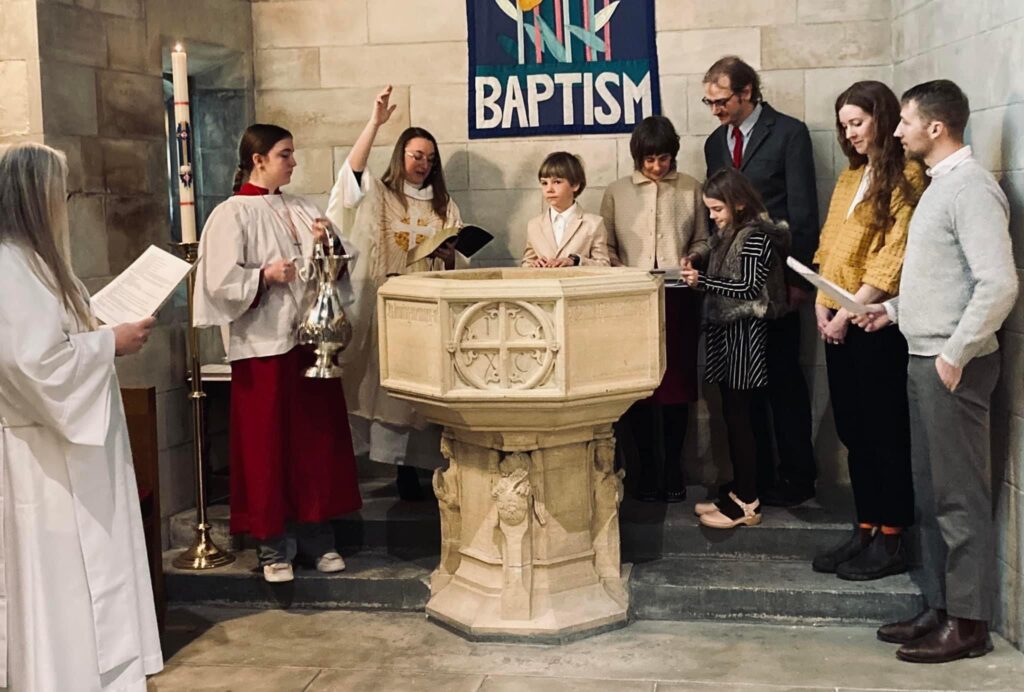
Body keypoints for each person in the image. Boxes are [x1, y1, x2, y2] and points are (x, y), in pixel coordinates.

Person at [855, 80, 1018, 663]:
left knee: (959, 500)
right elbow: (941, 278)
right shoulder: (939, 186)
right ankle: (942, 606)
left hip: (953, 366)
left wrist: (955, 354)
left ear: (936, 127)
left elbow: (998, 284)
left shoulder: (971, 189)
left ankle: (968, 625)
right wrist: (891, 310)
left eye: (904, 121)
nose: (895, 131)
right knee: (930, 494)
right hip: (922, 355)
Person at [0, 143, 163, 690]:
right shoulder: (8, 265)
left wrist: (96, 331)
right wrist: (108, 343)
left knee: (94, 582)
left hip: (78, 457)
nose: (62, 202)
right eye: (57, 191)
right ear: (30, 195)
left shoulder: (38, 264)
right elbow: (33, 364)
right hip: (47, 466)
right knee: (64, 590)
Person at [194, 124, 362, 584]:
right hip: (262, 347)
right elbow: (218, 283)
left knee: (314, 442)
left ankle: (318, 539)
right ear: (258, 159)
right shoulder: (231, 214)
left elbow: (337, 269)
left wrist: (330, 243)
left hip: (309, 343)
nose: (293, 162)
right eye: (285, 154)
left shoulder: (302, 207)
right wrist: (265, 275)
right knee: (267, 447)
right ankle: (273, 549)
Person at [810, 81, 926, 581]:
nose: (850, 132)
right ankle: (866, 528)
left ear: (882, 117)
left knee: (884, 434)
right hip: (838, 317)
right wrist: (821, 304)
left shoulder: (907, 176)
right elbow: (830, 247)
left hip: (876, 322)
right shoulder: (848, 178)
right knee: (854, 431)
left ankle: (894, 538)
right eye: (843, 125)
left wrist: (848, 308)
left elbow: (893, 254)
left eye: (857, 122)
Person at [326, 85, 464, 501]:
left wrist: (449, 253)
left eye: (430, 158)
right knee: (380, 387)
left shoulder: (444, 206)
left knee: (421, 393)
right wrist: (375, 123)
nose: (423, 164)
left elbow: (457, 263)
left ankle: (416, 470)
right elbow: (348, 181)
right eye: (416, 155)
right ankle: (388, 467)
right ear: (401, 155)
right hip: (384, 306)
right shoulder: (379, 195)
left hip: (427, 312)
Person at [702, 56, 819, 507]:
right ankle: (755, 479)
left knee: (784, 380)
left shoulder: (789, 133)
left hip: (777, 283)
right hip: (735, 293)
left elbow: (804, 211)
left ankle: (797, 477)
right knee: (743, 390)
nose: (715, 110)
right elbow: (719, 219)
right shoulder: (716, 142)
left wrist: (798, 281)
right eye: (709, 102)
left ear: (747, 91)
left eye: (721, 100)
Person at [600, 115, 708, 502]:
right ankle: (644, 468)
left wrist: (692, 257)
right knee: (638, 386)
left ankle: (672, 468)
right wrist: (618, 270)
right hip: (633, 297)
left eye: (664, 158)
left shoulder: (691, 188)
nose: (657, 167)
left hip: (678, 295)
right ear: (637, 158)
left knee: (676, 383)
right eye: (649, 160)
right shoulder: (617, 192)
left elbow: (703, 238)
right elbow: (606, 245)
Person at [680, 168, 790, 529]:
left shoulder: (756, 236)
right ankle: (740, 488)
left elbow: (748, 288)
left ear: (739, 203)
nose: (712, 217)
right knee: (732, 414)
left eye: (717, 210)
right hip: (727, 332)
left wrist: (702, 281)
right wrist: (695, 260)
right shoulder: (730, 233)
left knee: (742, 419)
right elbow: (711, 247)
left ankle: (748, 501)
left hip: (745, 333)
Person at [522, 151, 610, 268]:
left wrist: (576, 261)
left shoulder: (593, 223)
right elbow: (526, 264)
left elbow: (604, 265)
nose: (549, 189)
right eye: (544, 183)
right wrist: (533, 265)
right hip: (544, 285)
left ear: (575, 185)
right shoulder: (534, 225)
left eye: (557, 182)